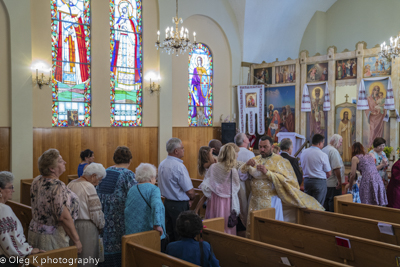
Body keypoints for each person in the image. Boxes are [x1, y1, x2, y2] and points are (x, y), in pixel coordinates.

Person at [240, 135, 324, 237]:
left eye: (265, 147)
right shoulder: (255, 159)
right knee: (254, 229)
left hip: (271, 200)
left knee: (270, 230)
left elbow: (289, 181)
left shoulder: (281, 161)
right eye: (260, 146)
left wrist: (268, 173)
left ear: (271, 146)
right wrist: (246, 165)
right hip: (254, 200)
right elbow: (242, 176)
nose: (262, 149)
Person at [28, 149, 81, 253]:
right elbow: (63, 217)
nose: (65, 162)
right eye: (61, 161)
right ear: (52, 168)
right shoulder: (57, 185)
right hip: (51, 238)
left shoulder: (37, 180)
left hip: (34, 233)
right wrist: (77, 240)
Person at [97, 146, 137, 267]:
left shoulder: (106, 171)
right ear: (130, 160)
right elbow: (134, 194)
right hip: (118, 217)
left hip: (103, 214)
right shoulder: (128, 174)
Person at [0, 172, 44, 267]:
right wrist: (28, 251)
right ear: (0, 190)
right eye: (10, 187)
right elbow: (9, 240)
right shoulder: (3, 210)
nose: (13, 190)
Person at [67, 163, 106, 267]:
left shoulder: (71, 183)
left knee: (76, 260)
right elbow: (96, 213)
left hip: (72, 225)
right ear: (93, 176)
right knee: (88, 260)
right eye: (99, 179)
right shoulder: (89, 186)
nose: (98, 183)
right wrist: (101, 225)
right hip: (87, 227)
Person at [158, 138, 195, 242]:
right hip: (179, 205)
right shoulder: (179, 166)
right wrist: (192, 198)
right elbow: (189, 190)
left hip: (167, 203)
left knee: (169, 233)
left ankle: (170, 254)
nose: (184, 150)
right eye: (182, 148)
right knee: (181, 233)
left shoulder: (162, 164)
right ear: (176, 151)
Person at [200, 143, 240, 235]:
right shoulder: (232, 169)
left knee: (213, 223)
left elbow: (207, 183)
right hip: (227, 202)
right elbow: (236, 187)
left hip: (214, 199)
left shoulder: (213, 166)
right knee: (225, 226)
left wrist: (217, 190)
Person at [125, 163, 167, 251]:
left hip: (132, 232)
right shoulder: (153, 189)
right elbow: (156, 206)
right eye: (155, 177)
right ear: (151, 177)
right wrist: (157, 225)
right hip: (148, 232)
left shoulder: (132, 189)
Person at [300, 134, 332, 205]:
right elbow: (329, 173)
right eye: (323, 143)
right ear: (320, 143)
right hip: (319, 182)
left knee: (308, 205)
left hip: (307, 181)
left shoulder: (304, 152)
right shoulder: (322, 155)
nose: (323, 144)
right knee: (318, 206)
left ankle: (307, 216)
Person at [234, 133, 255, 233]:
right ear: (244, 141)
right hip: (245, 183)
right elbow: (252, 171)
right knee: (244, 204)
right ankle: (244, 226)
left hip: (233, 183)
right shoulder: (249, 154)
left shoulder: (233, 151)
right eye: (246, 137)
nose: (248, 138)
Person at [322, 134, 345, 212]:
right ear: (336, 141)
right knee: (333, 204)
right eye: (340, 142)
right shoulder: (333, 151)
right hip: (333, 183)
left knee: (326, 202)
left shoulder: (324, 149)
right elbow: (336, 168)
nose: (341, 144)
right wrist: (339, 181)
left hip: (325, 182)